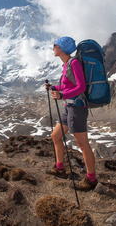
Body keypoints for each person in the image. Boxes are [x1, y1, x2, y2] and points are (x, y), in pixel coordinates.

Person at [45, 36, 97, 191]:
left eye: (55, 45)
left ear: (61, 48)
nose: (53, 47)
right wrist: (54, 87)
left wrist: (62, 96)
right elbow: (67, 85)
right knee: (56, 136)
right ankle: (60, 168)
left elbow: (81, 87)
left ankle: (91, 179)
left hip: (77, 109)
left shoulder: (73, 63)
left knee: (82, 144)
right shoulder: (67, 64)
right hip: (69, 108)